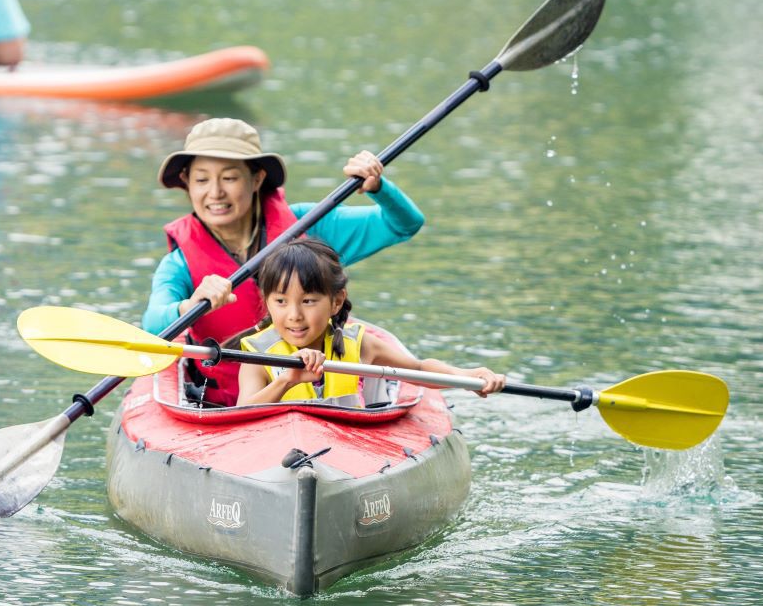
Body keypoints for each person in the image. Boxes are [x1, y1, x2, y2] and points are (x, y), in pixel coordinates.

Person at [144, 117, 426, 406]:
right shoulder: (179, 263)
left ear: (257, 179)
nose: (215, 192)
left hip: (324, 400)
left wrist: (379, 189)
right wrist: (188, 307)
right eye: (202, 179)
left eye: (229, 178)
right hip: (224, 406)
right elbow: (152, 328)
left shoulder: (308, 224)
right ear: (186, 183)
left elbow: (404, 224)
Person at [238, 239, 504, 405]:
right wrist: (287, 381)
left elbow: (419, 368)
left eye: (308, 301)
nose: (294, 315)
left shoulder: (360, 344)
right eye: (281, 302)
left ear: (336, 301)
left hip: (345, 451)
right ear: (267, 301)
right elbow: (242, 412)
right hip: (279, 457)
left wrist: (467, 376)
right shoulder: (257, 356)